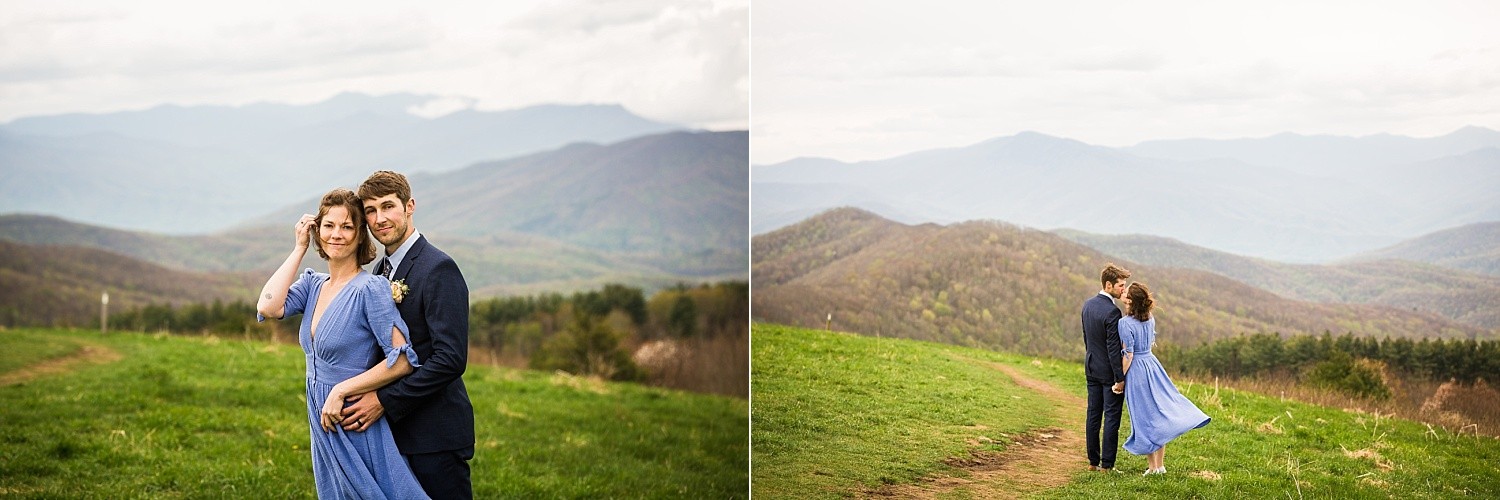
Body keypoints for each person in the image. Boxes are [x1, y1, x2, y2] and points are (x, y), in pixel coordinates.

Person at [256, 188, 429, 499]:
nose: (337, 234)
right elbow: (268, 306)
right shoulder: (313, 284)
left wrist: (341, 390)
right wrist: (298, 248)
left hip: (350, 412)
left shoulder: (370, 289)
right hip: (319, 411)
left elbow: (402, 359)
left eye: (347, 227)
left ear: (360, 235)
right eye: (329, 226)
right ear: (317, 231)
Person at [338, 170, 476, 499]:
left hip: (434, 437)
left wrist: (384, 400)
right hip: (394, 435)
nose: (379, 218)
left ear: (409, 205)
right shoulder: (381, 270)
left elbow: (450, 359)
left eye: (388, 207)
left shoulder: (438, 268)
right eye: (370, 211)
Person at [1119, 281, 1211, 475]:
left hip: (1137, 370)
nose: (1123, 294)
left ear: (1130, 301)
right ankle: (1160, 466)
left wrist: (1120, 379)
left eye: (1126, 293)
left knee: (1144, 417)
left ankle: (1153, 467)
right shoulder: (1150, 318)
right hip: (1153, 365)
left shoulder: (1124, 323)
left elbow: (1129, 355)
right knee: (1158, 414)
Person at [1082, 263, 1130, 472]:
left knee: (1093, 415)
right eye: (1120, 285)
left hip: (1091, 366)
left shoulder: (1087, 305)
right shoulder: (1112, 312)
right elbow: (1113, 350)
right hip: (1109, 373)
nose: (1123, 289)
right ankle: (1107, 465)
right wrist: (1120, 378)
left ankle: (1093, 462)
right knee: (1111, 417)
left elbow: (1087, 339)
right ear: (1108, 285)